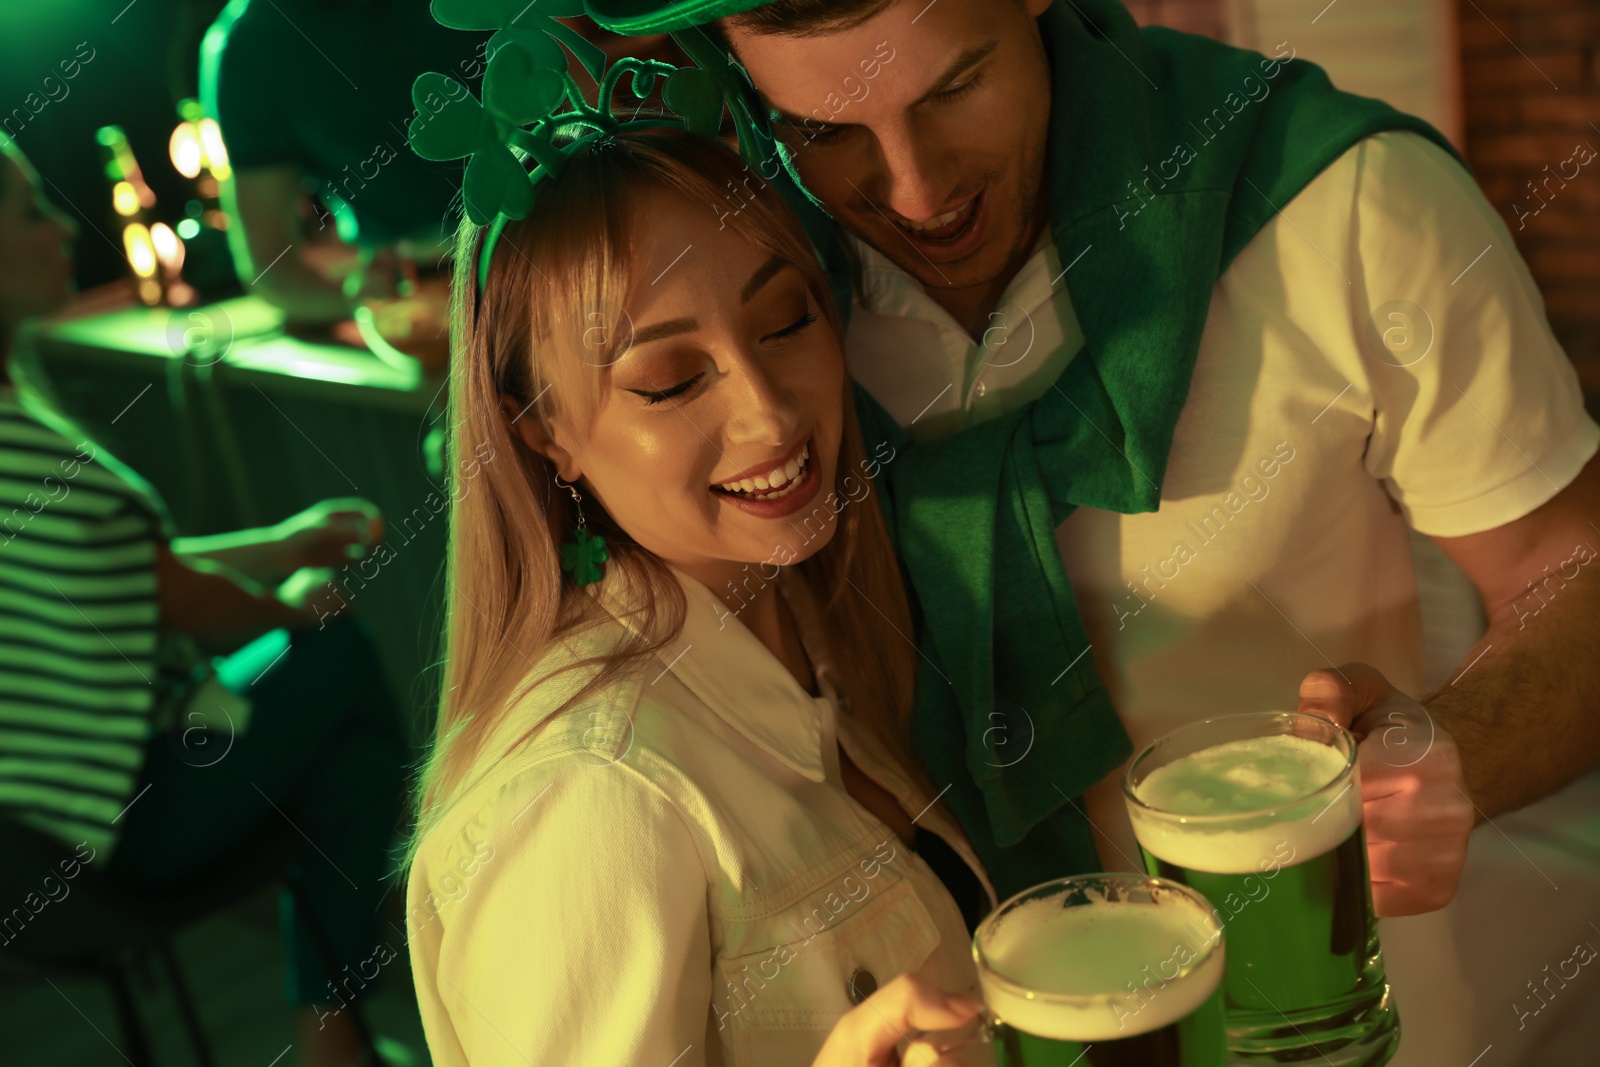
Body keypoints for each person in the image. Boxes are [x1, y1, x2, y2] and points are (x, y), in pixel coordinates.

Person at [583, 0, 1600, 1058]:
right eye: (824, 131)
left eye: (953, 88)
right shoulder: (746, 284)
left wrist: (1457, 748)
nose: (916, 191)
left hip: (1329, 1023)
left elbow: (1576, 567)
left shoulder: (1347, 198)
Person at [401, 119, 1014, 1065]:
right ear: (542, 431)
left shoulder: (822, 627)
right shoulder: (585, 796)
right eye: (671, 379)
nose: (768, 408)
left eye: (785, 322)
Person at [0, 132, 416, 1067]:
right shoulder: (15, 448)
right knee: (339, 657)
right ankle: (343, 1021)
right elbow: (177, 598)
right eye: (28, 210)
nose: (60, 228)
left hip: (53, 833)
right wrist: (293, 605)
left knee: (351, 765)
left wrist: (283, 545)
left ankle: (333, 1035)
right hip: (100, 837)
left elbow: (124, 561)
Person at [198, 0, 488, 324]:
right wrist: (373, 306)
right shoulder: (247, 45)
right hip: (410, 293)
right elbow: (271, 268)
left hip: (540, 241)